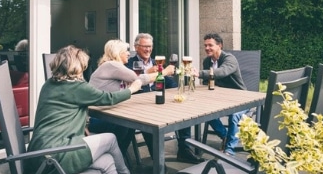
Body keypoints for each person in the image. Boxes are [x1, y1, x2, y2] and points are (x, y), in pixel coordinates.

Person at [26, 45, 149, 174]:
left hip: (39, 155)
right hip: (55, 158)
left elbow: (65, 110)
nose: (84, 69)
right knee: (110, 139)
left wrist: (83, 125)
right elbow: (108, 98)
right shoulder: (76, 87)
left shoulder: (49, 85)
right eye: (83, 66)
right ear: (77, 66)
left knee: (106, 161)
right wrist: (132, 88)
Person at [129, 33, 198, 164]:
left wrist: (180, 91)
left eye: (150, 46)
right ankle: (158, 161)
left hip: (159, 101)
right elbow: (130, 81)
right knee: (150, 121)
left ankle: (184, 150)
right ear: (136, 47)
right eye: (145, 46)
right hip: (140, 104)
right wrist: (148, 73)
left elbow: (170, 83)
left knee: (184, 112)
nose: (148, 49)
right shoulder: (130, 64)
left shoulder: (157, 62)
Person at [89, 39, 152, 162]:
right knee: (127, 124)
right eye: (126, 51)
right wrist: (163, 72)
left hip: (108, 114)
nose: (129, 53)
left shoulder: (114, 67)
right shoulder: (111, 65)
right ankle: (115, 161)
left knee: (131, 124)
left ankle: (118, 161)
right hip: (97, 118)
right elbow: (138, 79)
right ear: (117, 53)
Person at [198, 33, 251, 155]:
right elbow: (208, 83)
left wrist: (199, 73)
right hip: (221, 99)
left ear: (220, 45)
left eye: (210, 45)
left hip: (241, 98)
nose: (207, 48)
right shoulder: (207, 61)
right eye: (205, 45)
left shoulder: (229, 59)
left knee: (234, 115)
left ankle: (229, 151)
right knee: (204, 112)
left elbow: (221, 72)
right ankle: (225, 135)